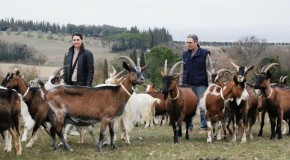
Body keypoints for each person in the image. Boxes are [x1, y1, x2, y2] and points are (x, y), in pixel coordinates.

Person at [63, 33, 94, 135]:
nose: (76, 41)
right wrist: (64, 82)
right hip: (70, 84)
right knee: (70, 107)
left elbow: (90, 71)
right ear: (72, 41)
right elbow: (67, 69)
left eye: (78, 40)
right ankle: (69, 127)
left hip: (82, 85)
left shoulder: (87, 54)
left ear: (82, 40)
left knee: (80, 108)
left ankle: (77, 129)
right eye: (74, 40)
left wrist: (88, 87)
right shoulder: (70, 53)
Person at [182, 34, 214, 133]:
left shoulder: (205, 54)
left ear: (196, 42)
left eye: (190, 42)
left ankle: (204, 127)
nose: (188, 44)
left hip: (201, 85)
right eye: (187, 42)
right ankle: (189, 127)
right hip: (188, 85)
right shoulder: (185, 54)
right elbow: (182, 69)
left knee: (202, 106)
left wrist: (211, 83)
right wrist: (181, 82)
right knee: (188, 106)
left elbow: (210, 68)